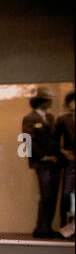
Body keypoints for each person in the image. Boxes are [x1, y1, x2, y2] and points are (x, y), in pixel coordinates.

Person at [22, 91, 61, 239]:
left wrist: (56, 155)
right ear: (41, 102)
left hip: (54, 162)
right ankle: (42, 228)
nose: (50, 102)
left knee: (52, 196)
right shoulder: (29, 118)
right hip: (41, 162)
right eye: (47, 100)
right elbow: (26, 139)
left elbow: (55, 139)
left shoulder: (50, 118)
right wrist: (43, 156)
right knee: (46, 195)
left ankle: (47, 227)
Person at [56, 91, 75, 232]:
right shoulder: (63, 120)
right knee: (67, 194)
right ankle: (65, 226)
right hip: (70, 161)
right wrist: (63, 152)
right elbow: (54, 141)